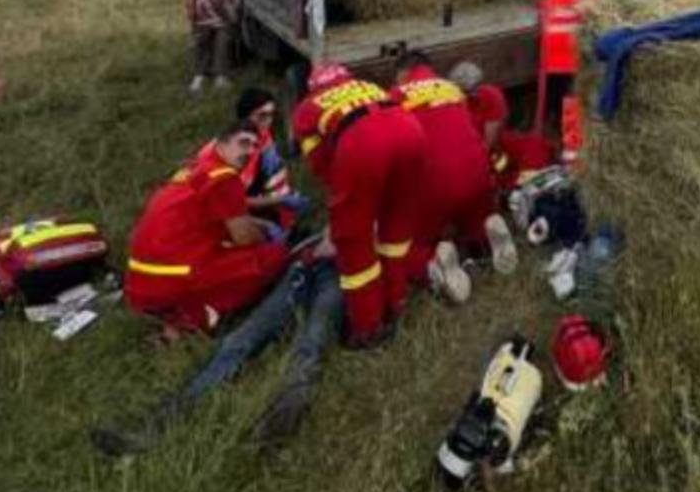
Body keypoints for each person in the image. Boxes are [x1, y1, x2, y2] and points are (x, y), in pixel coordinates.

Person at [92, 245, 342, 456]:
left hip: (348, 271)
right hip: (311, 265)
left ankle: (279, 423)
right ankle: (159, 425)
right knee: (242, 340)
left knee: (311, 343)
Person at [290, 62, 429, 346]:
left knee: (353, 242)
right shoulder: (370, 86)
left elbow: (322, 165)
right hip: (411, 132)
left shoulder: (306, 108)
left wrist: (346, 201)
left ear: (313, 87)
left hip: (362, 144)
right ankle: (396, 302)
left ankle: (368, 327)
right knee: (396, 228)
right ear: (347, 79)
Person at [125, 124, 289, 335]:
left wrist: (272, 206)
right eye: (243, 143)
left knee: (227, 245)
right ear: (221, 143)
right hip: (175, 283)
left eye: (254, 146)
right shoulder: (225, 177)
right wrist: (270, 235)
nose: (249, 151)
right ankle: (194, 316)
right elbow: (245, 238)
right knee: (273, 256)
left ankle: (170, 311)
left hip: (138, 286)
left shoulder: (195, 168)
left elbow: (227, 209)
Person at [393, 55, 517, 302]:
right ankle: (485, 230)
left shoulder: (396, 97)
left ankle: (432, 265)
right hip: (477, 172)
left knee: (409, 243)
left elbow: (396, 150)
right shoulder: (450, 89)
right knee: (471, 213)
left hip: (436, 182)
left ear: (404, 74)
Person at [198, 87, 305, 232]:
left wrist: (284, 206)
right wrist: (279, 203)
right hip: (220, 209)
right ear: (245, 117)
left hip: (245, 190)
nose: (268, 121)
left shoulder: (260, 134)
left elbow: (274, 174)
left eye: (271, 115)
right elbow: (232, 202)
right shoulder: (222, 157)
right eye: (262, 116)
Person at [534, 0, 596, 165]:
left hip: (571, 64)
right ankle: (563, 154)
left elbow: (592, 12)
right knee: (558, 112)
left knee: (572, 112)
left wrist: (580, 8)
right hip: (554, 66)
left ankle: (574, 161)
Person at [450, 60, 551, 191]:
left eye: (473, 89)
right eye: (466, 92)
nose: (470, 95)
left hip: (493, 149)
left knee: (534, 147)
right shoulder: (453, 105)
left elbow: (490, 141)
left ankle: (521, 184)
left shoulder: (490, 96)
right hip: (470, 156)